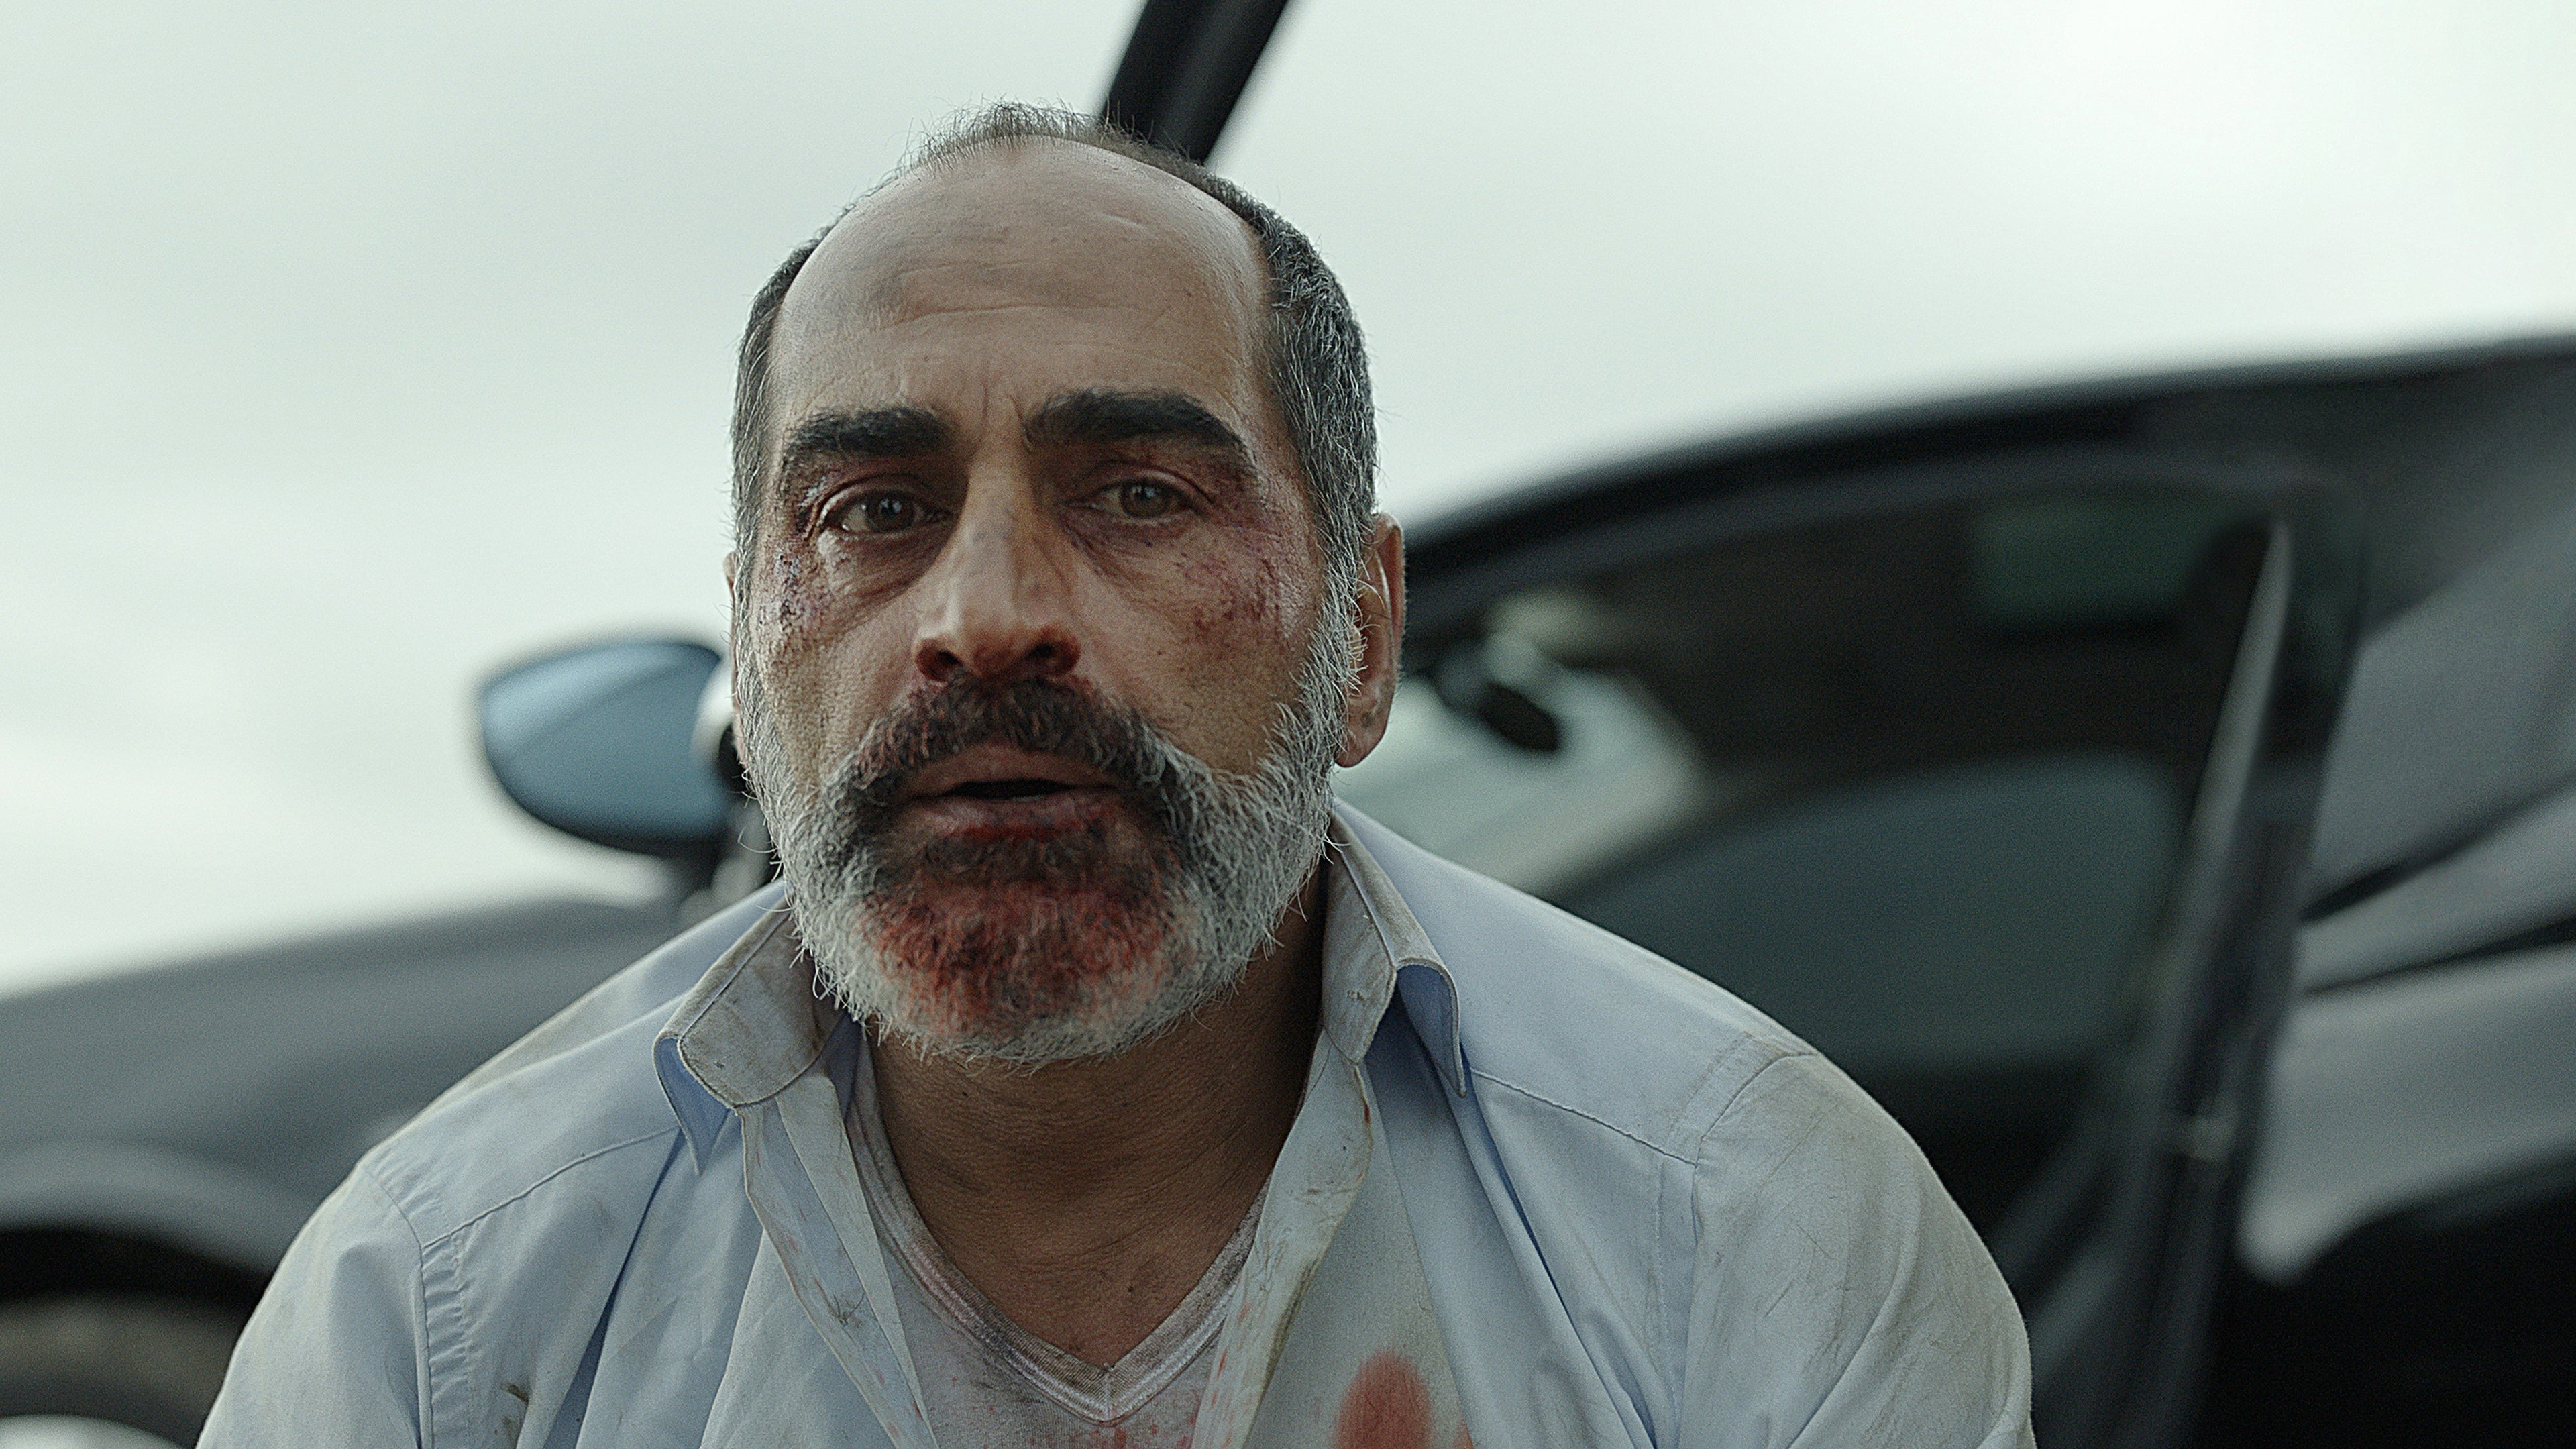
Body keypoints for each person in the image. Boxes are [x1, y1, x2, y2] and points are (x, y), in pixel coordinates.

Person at [201, 105, 2035, 1448]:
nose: (986, 619)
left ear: (1362, 636)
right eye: (874, 513)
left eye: (1141, 496)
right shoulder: (441, 1312)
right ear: (753, 656)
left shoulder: (1748, 1229)